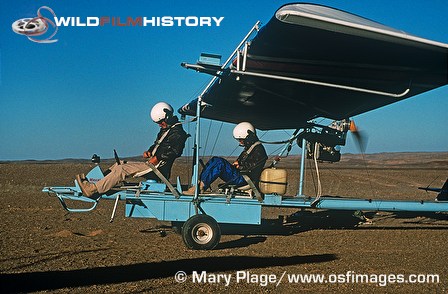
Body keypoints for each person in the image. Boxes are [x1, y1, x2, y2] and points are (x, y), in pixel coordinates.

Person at [76, 102, 188, 198]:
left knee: (122, 170)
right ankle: (97, 183)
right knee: (119, 164)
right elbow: (157, 144)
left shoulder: (177, 133)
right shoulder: (167, 130)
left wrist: (157, 157)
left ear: (167, 117)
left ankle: (93, 189)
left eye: (160, 122)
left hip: (159, 168)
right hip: (153, 164)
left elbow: (175, 151)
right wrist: (149, 151)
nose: (159, 125)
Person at [184, 122, 268, 195]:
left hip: (244, 178)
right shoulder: (252, 148)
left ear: (248, 137)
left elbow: (253, 167)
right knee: (215, 159)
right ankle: (200, 184)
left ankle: (201, 187)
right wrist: (238, 164)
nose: (240, 142)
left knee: (219, 163)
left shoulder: (258, 150)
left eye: (241, 140)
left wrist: (240, 165)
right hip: (241, 175)